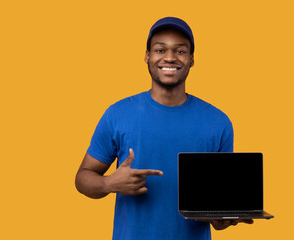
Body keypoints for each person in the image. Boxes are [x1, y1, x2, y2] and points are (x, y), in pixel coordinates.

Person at [75, 17, 253, 240]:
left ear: (191, 59)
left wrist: (221, 218)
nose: (170, 57)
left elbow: (220, 206)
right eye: (160, 50)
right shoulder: (117, 114)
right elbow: (82, 178)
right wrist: (108, 183)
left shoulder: (219, 122)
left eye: (180, 51)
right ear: (147, 56)